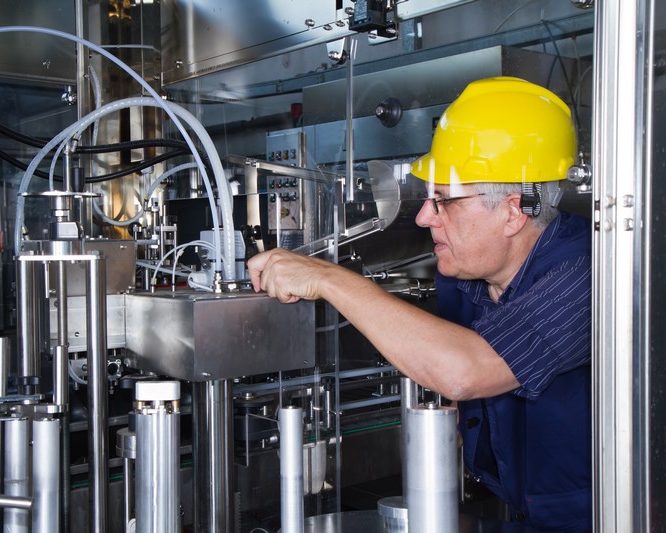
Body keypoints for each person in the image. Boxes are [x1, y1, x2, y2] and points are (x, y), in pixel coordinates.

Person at [247, 76, 591, 532]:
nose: (426, 217)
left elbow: (465, 370)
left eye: (444, 201)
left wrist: (328, 279)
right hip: (522, 510)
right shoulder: (469, 276)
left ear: (512, 211)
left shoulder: (587, 273)